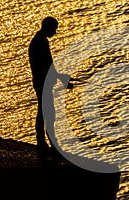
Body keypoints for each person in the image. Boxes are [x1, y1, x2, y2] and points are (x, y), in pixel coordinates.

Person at [28, 16, 72, 165]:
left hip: (41, 82)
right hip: (42, 83)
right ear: (48, 27)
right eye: (54, 29)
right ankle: (49, 144)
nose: (55, 31)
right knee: (48, 113)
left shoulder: (38, 40)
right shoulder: (41, 43)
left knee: (44, 111)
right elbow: (47, 65)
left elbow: (48, 66)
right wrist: (61, 79)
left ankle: (43, 142)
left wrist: (60, 78)